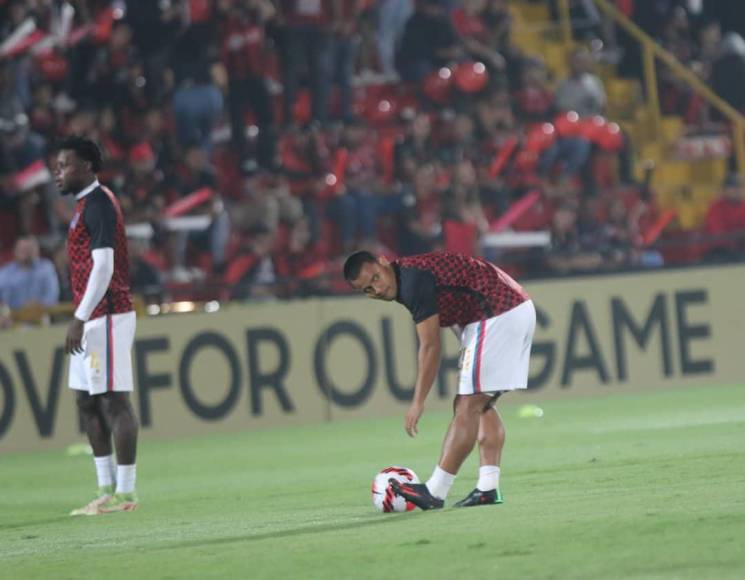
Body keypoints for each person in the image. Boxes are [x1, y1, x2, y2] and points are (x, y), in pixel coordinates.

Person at [343, 250, 535, 509]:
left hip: (497, 312)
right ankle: (488, 487)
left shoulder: (412, 282)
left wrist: (417, 402)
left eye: (376, 278)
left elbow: (431, 346)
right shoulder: (408, 276)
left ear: (383, 261)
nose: (376, 289)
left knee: (468, 406)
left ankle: (435, 491)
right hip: (505, 309)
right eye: (367, 289)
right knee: (478, 405)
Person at [53, 136, 139, 515]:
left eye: (65, 165)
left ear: (87, 166)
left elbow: (103, 267)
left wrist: (80, 316)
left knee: (114, 401)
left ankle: (127, 492)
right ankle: (105, 489)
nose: (58, 172)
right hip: (93, 316)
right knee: (86, 401)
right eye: (57, 165)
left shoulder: (99, 204)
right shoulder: (84, 205)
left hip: (106, 313)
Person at [0, 236, 60, 313]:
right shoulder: (4, 273)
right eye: (22, 249)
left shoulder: (46, 268)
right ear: (15, 251)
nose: (26, 253)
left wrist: (39, 306)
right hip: (12, 318)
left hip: (43, 316)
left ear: (37, 251)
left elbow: (52, 296)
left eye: (29, 249)